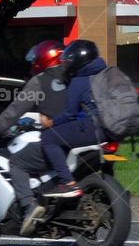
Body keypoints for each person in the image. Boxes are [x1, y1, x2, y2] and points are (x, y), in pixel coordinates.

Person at [0, 40, 67, 235]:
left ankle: (28, 206)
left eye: (36, 60)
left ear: (43, 60)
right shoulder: (74, 77)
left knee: (18, 162)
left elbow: (14, 112)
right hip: (83, 134)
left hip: (58, 139)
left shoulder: (40, 81)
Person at [40, 39, 107, 199]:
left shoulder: (79, 80)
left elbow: (69, 114)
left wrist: (51, 123)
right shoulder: (105, 74)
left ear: (78, 60)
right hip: (113, 127)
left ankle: (67, 183)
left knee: (49, 138)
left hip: (93, 128)